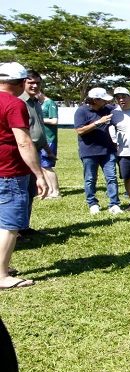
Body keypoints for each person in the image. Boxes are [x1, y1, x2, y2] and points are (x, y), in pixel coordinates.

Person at [0, 62, 48, 289]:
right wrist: (38, 174)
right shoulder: (14, 104)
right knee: (10, 224)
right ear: (20, 83)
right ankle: (1, 275)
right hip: (9, 171)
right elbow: (23, 141)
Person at [74, 87, 122, 215]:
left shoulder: (107, 108)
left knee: (111, 177)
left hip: (108, 150)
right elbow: (79, 131)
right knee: (90, 179)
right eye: (103, 100)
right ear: (95, 100)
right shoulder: (81, 111)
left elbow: (123, 108)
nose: (106, 102)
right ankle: (92, 203)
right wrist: (98, 123)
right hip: (89, 151)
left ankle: (114, 204)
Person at [18, 70, 53, 238]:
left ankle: (24, 226)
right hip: (22, 153)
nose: (34, 86)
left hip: (36, 151)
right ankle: (14, 230)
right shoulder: (19, 102)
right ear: (22, 83)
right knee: (19, 192)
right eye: (30, 82)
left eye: (38, 83)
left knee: (30, 191)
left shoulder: (36, 102)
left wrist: (47, 150)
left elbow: (39, 129)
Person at [38, 91, 61, 198]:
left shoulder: (50, 103)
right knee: (42, 166)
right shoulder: (39, 104)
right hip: (42, 139)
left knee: (47, 165)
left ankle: (56, 191)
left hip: (50, 139)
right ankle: (50, 190)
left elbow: (54, 120)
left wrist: (39, 120)